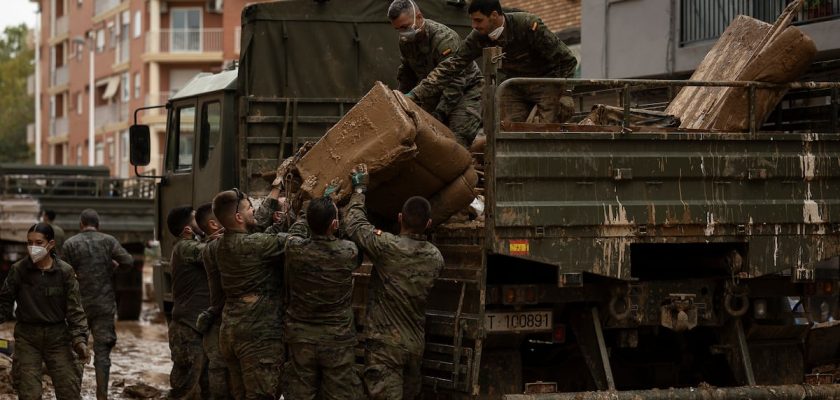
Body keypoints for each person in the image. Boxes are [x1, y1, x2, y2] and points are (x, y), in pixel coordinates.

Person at [343, 164, 444, 400]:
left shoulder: (387, 247)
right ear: (429, 224)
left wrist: (359, 189)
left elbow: (355, 224)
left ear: (399, 218)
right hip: (414, 347)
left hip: (385, 348)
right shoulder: (436, 258)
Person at [407, 0, 578, 124]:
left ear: (495, 15)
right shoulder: (478, 37)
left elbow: (567, 60)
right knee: (507, 130)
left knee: (543, 132)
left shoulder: (527, 25)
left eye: (478, 20)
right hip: (515, 85)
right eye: (472, 20)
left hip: (546, 82)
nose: (474, 25)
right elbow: (452, 65)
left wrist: (566, 93)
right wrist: (416, 94)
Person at [211, 188, 289, 399]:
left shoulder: (219, 244)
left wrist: (274, 191)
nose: (254, 209)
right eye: (249, 208)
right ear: (238, 217)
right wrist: (296, 214)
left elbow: (258, 225)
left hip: (231, 331)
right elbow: (293, 241)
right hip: (258, 336)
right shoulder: (254, 244)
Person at [283, 196, 363, 400]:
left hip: (301, 337)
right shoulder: (348, 251)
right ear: (334, 224)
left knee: (300, 393)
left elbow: (295, 231)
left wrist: (306, 211)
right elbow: (347, 237)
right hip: (337, 338)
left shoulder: (294, 249)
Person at [0, 223, 89, 400]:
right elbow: (4, 303)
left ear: (51, 244)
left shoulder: (64, 272)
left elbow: (75, 310)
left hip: (58, 338)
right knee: (29, 394)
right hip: (27, 338)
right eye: (29, 243)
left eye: (39, 243)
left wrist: (80, 340)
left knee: (69, 391)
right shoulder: (18, 270)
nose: (33, 248)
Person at [388, 0, 483, 147]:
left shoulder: (444, 38)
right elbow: (407, 73)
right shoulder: (405, 41)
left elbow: (455, 82)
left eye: (405, 27)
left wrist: (438, 115)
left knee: (455, 141)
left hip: (466, 91)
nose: (402, 32)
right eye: (398, 29)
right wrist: (401, 100)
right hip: (434, 91)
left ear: (418, 17)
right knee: (419, 137)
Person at [62, 208, 134, 400]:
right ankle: (102, 396)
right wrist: (113, 267)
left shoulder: (70, 244)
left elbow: (62, 272)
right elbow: (128, 261)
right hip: (104, 305)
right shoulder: (109, 241)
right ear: (98, 225)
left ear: (81, 224)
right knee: (103, 353)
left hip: (78, 307)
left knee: (77, 352)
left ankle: (72, 395)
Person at [166, 205, 210, 399]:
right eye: (196, 219)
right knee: (185, 388)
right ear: (187, 230)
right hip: (187, 328)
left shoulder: (189, 246)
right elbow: (215, 252)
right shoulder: (185, 248)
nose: (201, 221)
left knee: (202, 386)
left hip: (195, 325)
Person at [195, 202, 233, 399]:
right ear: (213, 224)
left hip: (218, 319)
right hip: (222, 319)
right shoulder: (218, 248)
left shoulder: (211, 246)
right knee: (220, 372)